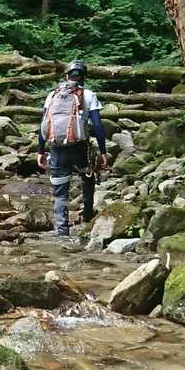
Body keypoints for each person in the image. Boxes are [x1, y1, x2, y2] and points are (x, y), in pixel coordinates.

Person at [36, 60, 107, 237]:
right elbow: (98, 126)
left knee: (60, 194)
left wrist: (40, 151)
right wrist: (103, 152)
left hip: (57, 149)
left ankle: (62, 234)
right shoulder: (89, 95)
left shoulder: (52, 95)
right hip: (80, 149)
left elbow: (43, 124)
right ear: (84, 78)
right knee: (88, 178)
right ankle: (88, 217)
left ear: (66, 76)